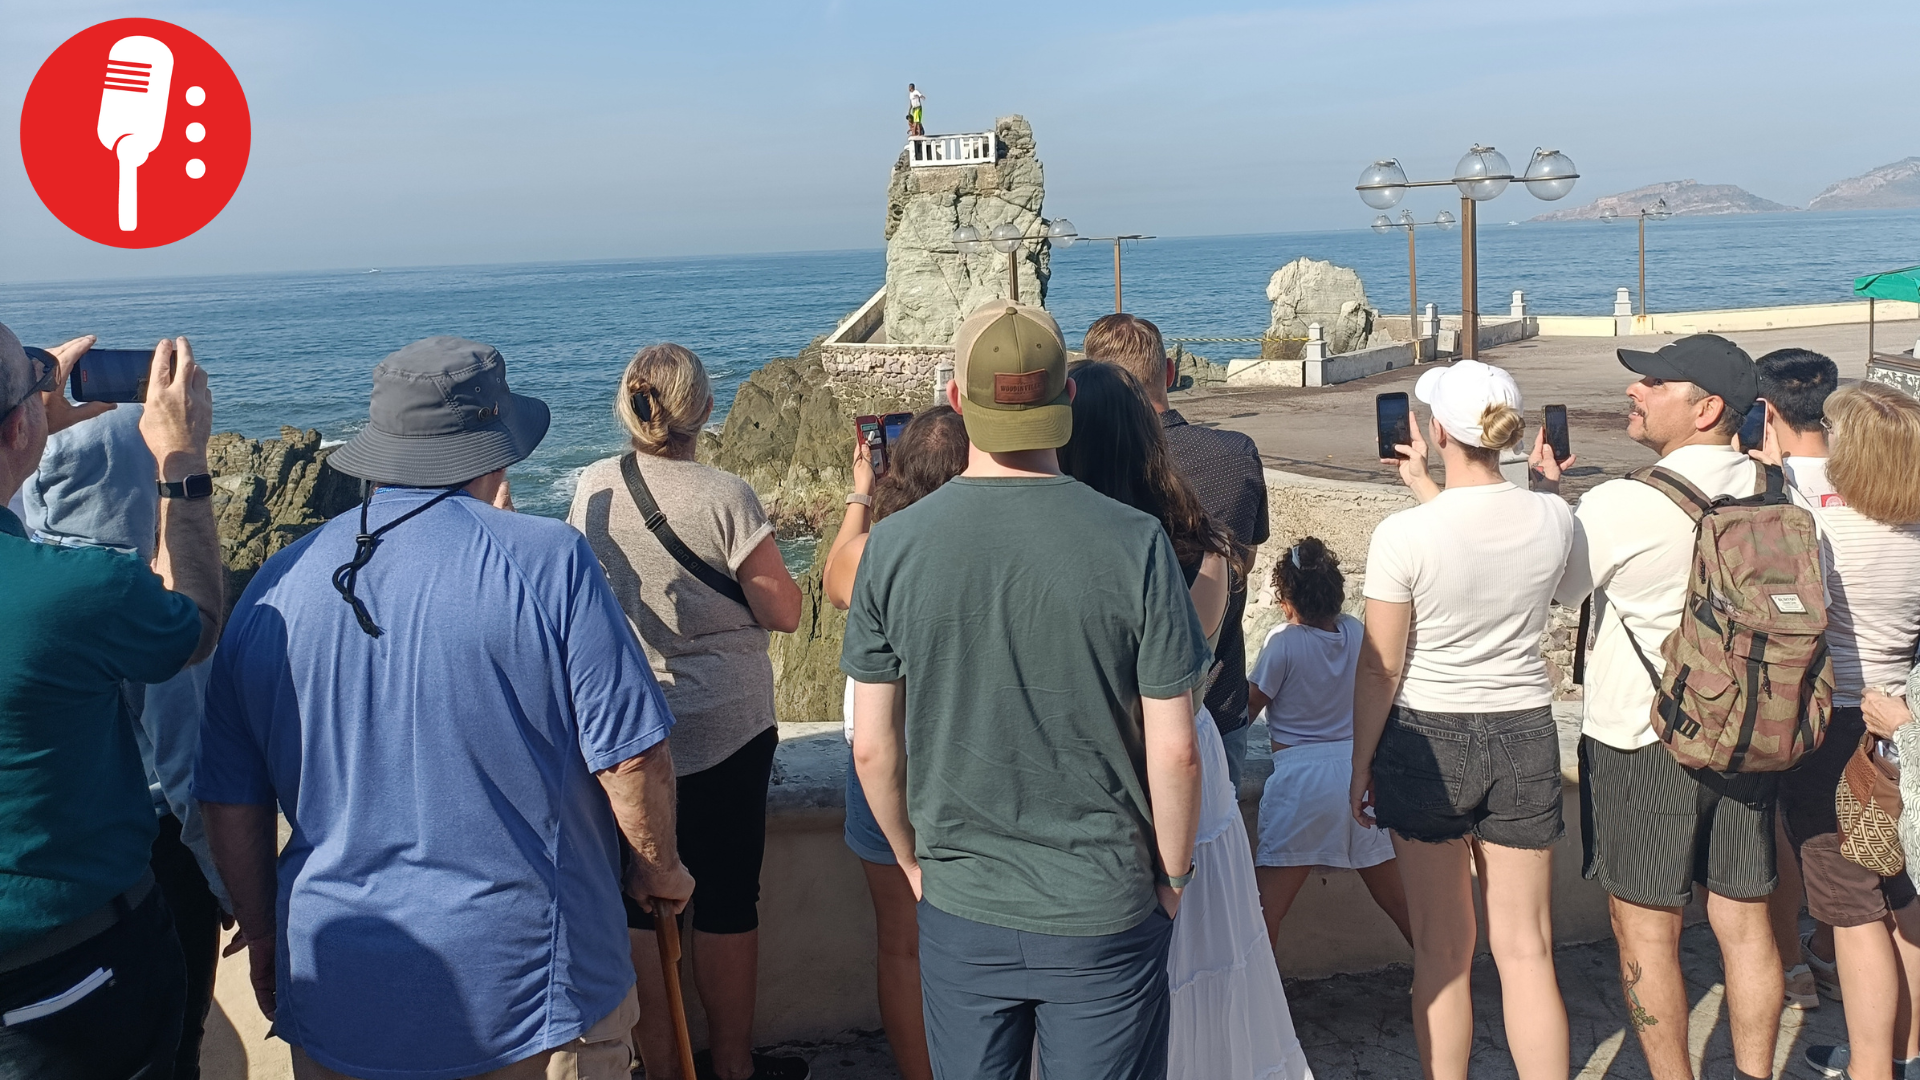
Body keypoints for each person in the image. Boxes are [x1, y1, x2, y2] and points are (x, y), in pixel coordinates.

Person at [198, 337, 691, 1080]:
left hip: (337, 987)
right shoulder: (550, 561)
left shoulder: (274, 585)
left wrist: (265, 935)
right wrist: (660, 869)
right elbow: (630, 759)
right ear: (493, 451)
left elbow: (229, 799)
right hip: (532, 991)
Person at [845, 302, 1211, 1080]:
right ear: (1066, 397)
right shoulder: (1136, 542)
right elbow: (1176, 749)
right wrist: (1173, 880)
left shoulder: (892, 546)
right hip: (1102, 903)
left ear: (956, 399)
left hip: (962, 900)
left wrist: (913, 864)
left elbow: (873, 748)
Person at [1059, 360, 1312, 1080]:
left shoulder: (1067, 549)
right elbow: (1187, 669)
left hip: (1099, 762)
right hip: (1188, 762)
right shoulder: (1200, 546)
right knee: (1207, 957)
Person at [1541, 334, 1780, 1080]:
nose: (1634, 391)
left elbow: (1559, 589)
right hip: (1751, 732)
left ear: (1705, 409)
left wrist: (1549, 498)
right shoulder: (1778, 492)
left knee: (1646, 932)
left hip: (1644, 741)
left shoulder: (1624, 502)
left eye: (1654, 383)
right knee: (1745, 924)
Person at [566, 342, 804, 1080]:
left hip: (626, 723)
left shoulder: (593, 486)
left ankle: (665, 1067)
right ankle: (731, 1067)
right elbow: (785, 611)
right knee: (728, 898)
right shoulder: (726, 495)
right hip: (728, 724)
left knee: (640, 902)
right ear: (704, 408)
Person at [0, 330, 223, 1080]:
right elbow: (195, 627)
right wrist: (181, 461)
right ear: (18, 425)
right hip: (67, 977)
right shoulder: (81, 593)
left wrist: (33, 433)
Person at [1350, 359, 1573, 1080]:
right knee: (1527, 951)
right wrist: (1545, 491)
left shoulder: (1404, 535)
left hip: (1427, 737)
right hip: (1524, 730)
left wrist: (1359, 764)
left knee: (1444, 953)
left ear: (1438, 432)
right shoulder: (1555, 516)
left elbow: (1380, 667)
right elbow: (1562, 586)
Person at [1756, 374, 1920, 1080]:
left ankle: (1870, 1069)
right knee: (1902, 900)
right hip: (1900, 723)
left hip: (1833, 730)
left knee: (1851, 914)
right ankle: (1905, 1054)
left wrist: (1773, 467)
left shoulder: (1815, 516)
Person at [821, 405, 969, 1080]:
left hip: (884, 766)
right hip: (959, 758)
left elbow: (834, 577)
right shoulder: (975, 544)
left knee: (901, 946)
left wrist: (863, 491)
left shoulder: (881, 552)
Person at [1083, 313, 1269, 789]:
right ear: (1168, 371)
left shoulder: (1087, 468)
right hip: (1217, 703)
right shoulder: (1236, 454)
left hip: (1114, 716)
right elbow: (1245, 560)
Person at [1248, 537, 1413, 949]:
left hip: (1301, 783)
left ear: (1287, 601)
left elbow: (1249, 705)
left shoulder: (1283, 643)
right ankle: (1446, 971)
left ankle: (1265, 989)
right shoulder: (1355, 631)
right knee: (1400, 902)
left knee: (1266, 910)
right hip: (1358, 775)